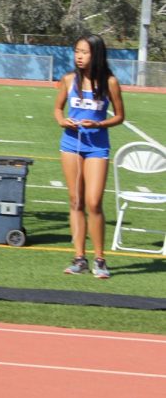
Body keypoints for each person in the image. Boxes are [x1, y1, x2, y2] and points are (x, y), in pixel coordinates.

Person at [54, 34, 125, 280]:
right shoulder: (68, 79)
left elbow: (119, 116)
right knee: (76, 201)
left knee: (94, 202)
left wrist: (100, 123)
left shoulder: (110, 82)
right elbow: (57, 108)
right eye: (76, 51)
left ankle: (100, 259)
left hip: (97, 146)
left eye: (84, 52)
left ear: (96, 54)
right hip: (71, 143)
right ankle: (79, 258)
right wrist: (63, 121)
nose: (79, 56)